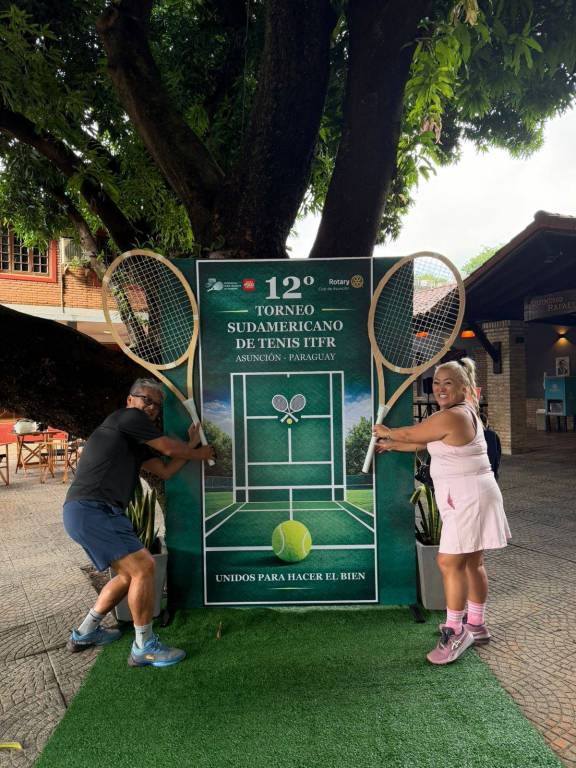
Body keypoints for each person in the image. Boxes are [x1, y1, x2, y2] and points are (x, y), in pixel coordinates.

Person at [63, 378, 215, 668]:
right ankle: (144, 646)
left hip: (89, 512)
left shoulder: (131, 441)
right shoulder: (128, 417)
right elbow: (168, 449)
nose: (150, 407)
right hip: (94, 509)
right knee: (144, 567)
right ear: (130, 400)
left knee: (128, 575)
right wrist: (199, 453)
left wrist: (191, 446)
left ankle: (85, 632)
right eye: (145, 399)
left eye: (156, 404)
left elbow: (165, 471)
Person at [373, 358, 511, 665]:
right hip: (472, 494)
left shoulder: (453, 416)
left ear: (463, 387)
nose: (440, 388)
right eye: (436, 382)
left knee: (449, 562)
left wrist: (388, 431)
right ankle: (476, 625)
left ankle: (455, 631)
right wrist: (391, 445)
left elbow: (413, 434)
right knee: (472, 562)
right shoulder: (459, 412)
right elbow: (424, 442)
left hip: (468, 498)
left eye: (448, 383)